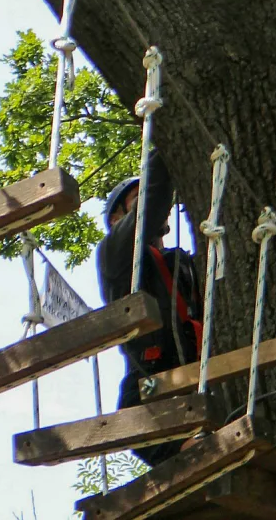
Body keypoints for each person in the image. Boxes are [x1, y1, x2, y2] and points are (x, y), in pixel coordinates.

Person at [96, 149, 202, 466]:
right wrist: (163, 144)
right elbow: (151, 205)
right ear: (117, 219)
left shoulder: (180, 263)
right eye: (135, 198)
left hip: (194, 374)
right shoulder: (114, 252)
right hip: (149, 379)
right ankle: (190, 453)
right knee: (142, 429)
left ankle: (192, 450)